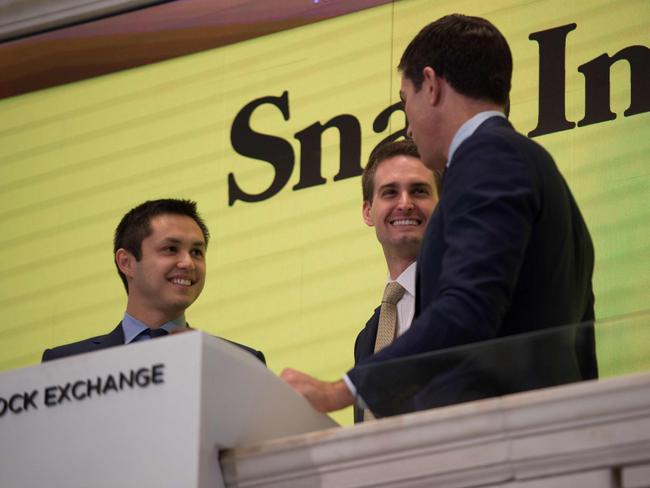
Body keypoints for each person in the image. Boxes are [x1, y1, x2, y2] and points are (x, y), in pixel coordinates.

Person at [281, 13, 596, 415]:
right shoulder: (536, 166)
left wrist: (339, 391)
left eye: (404, 100)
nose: (408, 126)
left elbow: (468, 309)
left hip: (502, 440)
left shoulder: (488, 156)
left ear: (430, 85)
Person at [42, 198, 265, 363]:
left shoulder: (240, 362)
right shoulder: (65, 363)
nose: (188, 263)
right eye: (171, 249)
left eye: (197, 252)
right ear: (126, 262)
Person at [353, 139, 441, 422]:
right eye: (390, 193)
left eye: (419, 191)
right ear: (368, 211)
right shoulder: (367, 339)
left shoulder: (466, 301)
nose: (405, 204)